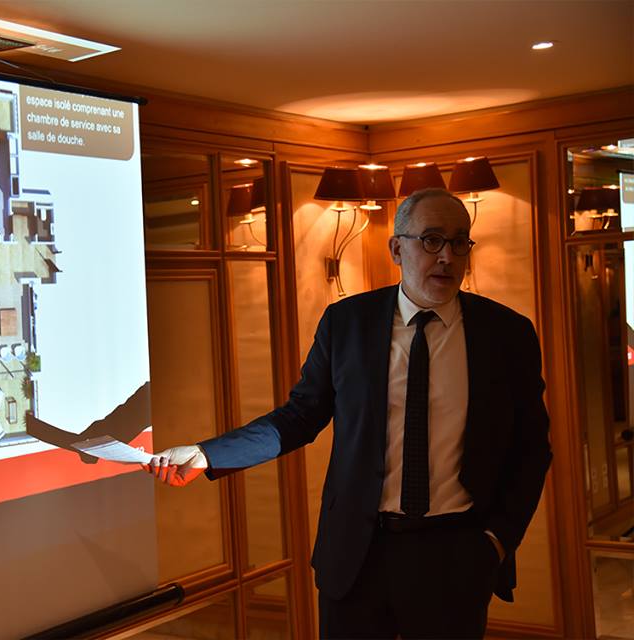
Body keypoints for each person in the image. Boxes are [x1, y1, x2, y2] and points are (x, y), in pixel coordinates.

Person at [143, 187, 552, 639]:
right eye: (431, 240)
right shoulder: (347, 323)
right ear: (396, 249)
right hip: (357, 555)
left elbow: (532, 448)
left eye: (459, 242)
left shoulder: (506, 333)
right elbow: (299, 417)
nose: (447, 257)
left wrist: (496, 541)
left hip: (456, 555)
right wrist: (207, 454)